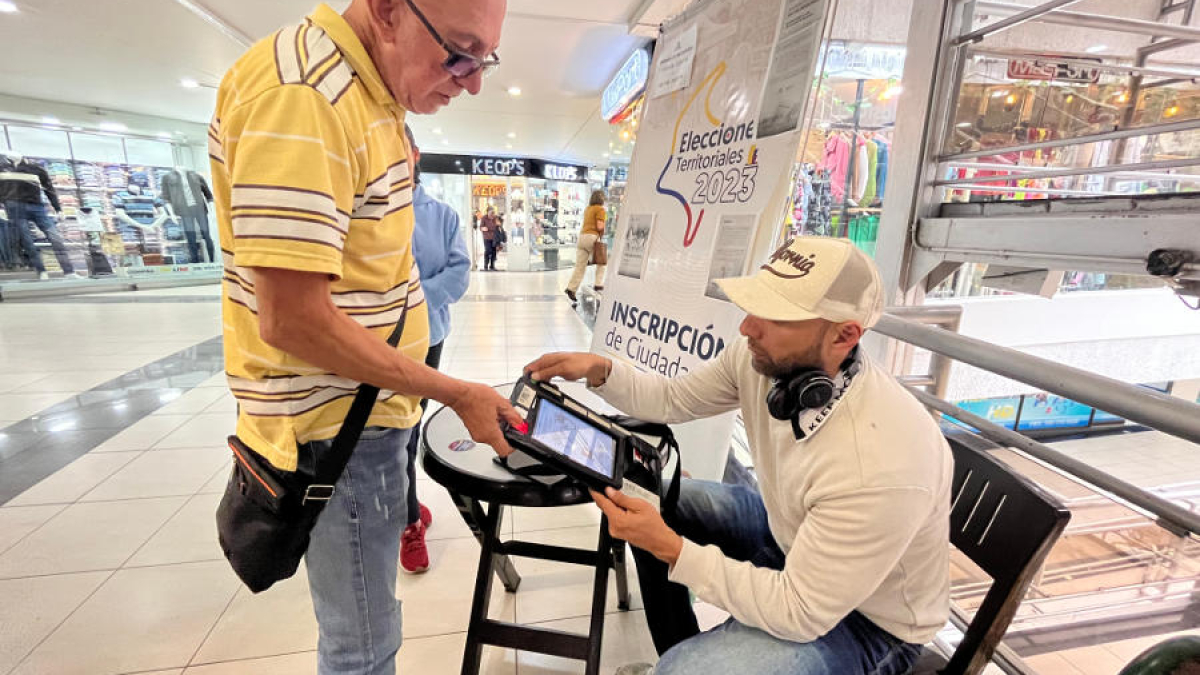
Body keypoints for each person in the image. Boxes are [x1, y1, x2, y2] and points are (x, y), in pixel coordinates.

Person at [209, 1, 519, 674]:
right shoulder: (307, 96)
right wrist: (454, 389)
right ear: (385, 10)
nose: (472, 82)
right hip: (336, 434)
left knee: (367, 635)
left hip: (365, 421)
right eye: (460, 53)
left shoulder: (372, 93)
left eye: (486, 59)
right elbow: (291, 317)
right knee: (363, 648)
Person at [525, 236, 953, 675]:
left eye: (776, 317)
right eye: (755, 306)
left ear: (844, 335)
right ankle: (680, 647)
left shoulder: (881, 462)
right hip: (787, 531)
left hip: (869, 622)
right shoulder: (767, 363)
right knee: (649, 494)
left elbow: (799, 611)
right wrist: (600, 369)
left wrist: (672, 549)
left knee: (684, 668)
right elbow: (674, 398)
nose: (748, 327)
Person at [399, 123, 470, 574]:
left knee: (408, 429)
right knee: (393, 436)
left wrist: (407, 302)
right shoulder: (360, 208)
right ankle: (407, 515)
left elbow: (458, 273)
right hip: (370, 344)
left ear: (414, 154)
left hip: (426, 338)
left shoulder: (441, 215)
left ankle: (406, 513)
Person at [564, 189, 607, 302]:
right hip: (592, 237)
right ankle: (598, 284)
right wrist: (602, 234)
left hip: (582, 238)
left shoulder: (588, 209)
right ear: (602, 199)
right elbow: (600, 226)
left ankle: (571, 288)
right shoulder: (600, 209)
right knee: (602, 262)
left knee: (580, 266)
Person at [479, 206, 500, 270]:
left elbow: (498, 226)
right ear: (487, 212)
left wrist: (488, 228)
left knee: (494, 252)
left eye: (493, 213)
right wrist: (485, 228)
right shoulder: (484, 218)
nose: (492, 214)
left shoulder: (495, 218)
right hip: (487, 237)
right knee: (488, 251)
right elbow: (481, 227)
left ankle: (492, 266)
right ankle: (485, 265)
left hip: (494, 238)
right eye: (491, 213)